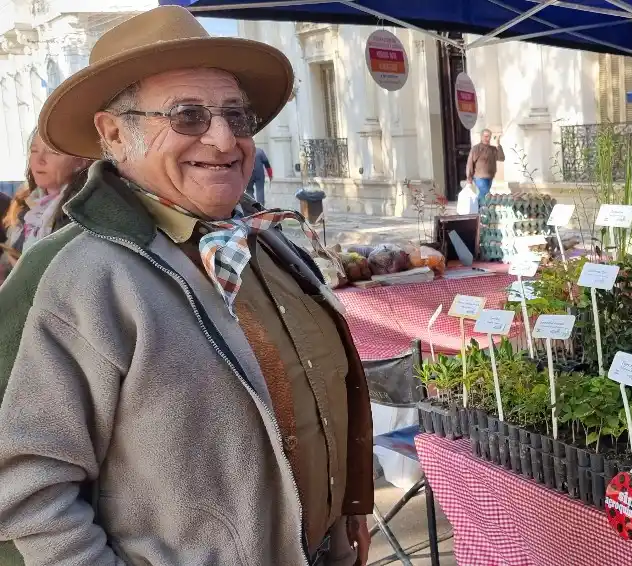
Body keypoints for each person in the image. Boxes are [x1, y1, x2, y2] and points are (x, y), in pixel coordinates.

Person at [0, 6, 372, 566]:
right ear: (113, 133)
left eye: (236, 116)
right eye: (188, 116)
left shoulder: (265, 242)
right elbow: (24, 489)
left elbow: (315, 396)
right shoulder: (74, 274)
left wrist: (346, 507)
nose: (225, 141)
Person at [1, 131, 91, 276]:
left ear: (81, 161)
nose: (38, 160)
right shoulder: (25, 202)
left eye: (52, 152)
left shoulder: (81, 214)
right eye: (34, 150)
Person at [465, 128, 504, 203]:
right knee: (486, 194)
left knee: (483, 196)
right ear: (481, 136)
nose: (488, 138)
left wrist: (498, 145)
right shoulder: (476, 148)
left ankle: (479, 210)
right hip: (479, 177)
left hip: (490, 177)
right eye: (486, 136)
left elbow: (501, 158)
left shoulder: (492, 149)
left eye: (489, 136)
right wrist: (469, 177)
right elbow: (470, 163)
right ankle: (482, 211)